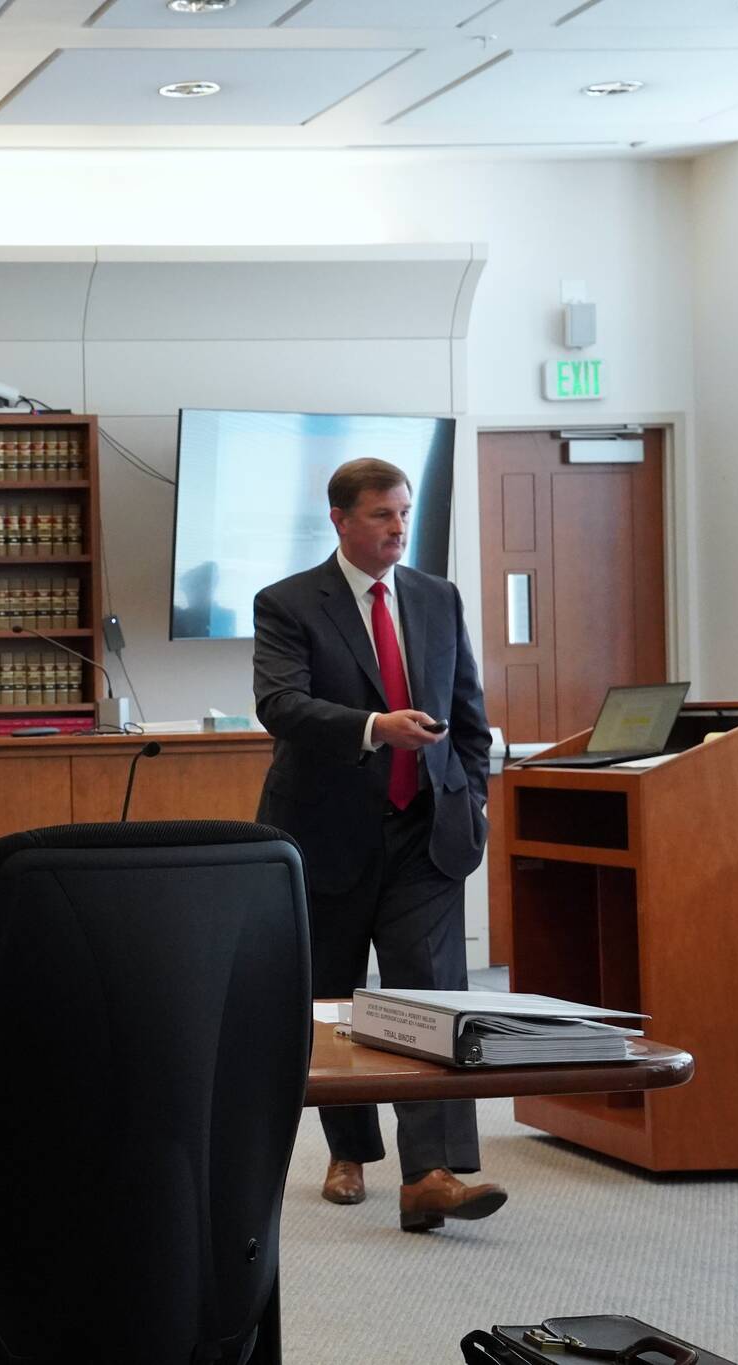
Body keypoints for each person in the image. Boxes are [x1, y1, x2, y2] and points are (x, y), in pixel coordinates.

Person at [252, 457, 501, 1234]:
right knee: (334, 998)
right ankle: (349, 1149)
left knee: (430, 997)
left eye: (404, 512)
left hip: (425, 827)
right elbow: (280, 703)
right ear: (341, 520)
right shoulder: (288, 602)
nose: (399, 527)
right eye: (382, 515)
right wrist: (372, 728)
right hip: (326, 828)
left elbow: (466, 712)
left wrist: (473, 799)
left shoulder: (437, 596)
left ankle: (431, 1172)